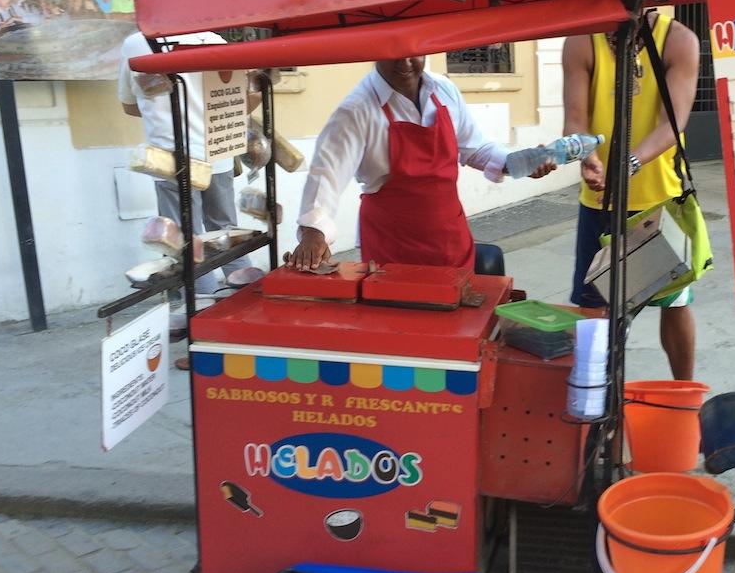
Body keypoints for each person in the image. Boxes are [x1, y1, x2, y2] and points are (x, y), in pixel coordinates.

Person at [288, 57, 552, 271]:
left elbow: (475, 149)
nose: (405, 63)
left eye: (413, 52)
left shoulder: (443, 90)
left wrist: (517, 162)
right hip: (392, 249)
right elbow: (326, 175)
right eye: (394, 54)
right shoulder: (356, 110)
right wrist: (314, 232)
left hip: (451, 239)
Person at [563, 10, 701, 381]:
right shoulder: (582, 40)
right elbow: (575, 118)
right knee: (596, 313)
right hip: (600, 203)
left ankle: (683, 396)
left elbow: (672, 123)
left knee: (673, 303)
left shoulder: (679, 40)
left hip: (659, 201)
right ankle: (597, 399)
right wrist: (584, 153)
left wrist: (629, 163)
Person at [118, 31, 259, 366]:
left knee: (186, 243)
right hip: (219, 152)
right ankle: (247, 319)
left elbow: (129, 105)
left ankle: (205, 336)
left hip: (172, 159)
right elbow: (244, 100)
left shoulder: (136, 43)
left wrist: (168, 107)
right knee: (227, 233)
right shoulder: (215, 40)